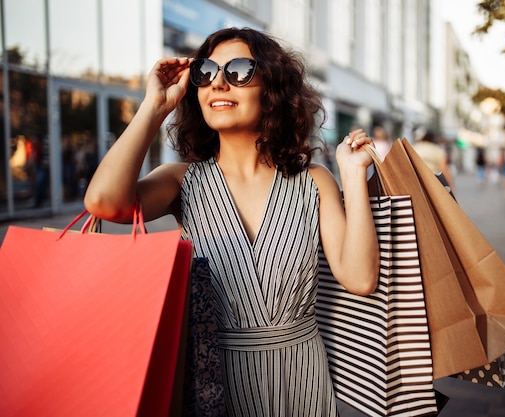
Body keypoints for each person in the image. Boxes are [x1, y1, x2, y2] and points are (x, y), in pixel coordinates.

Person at [84, 27, 379, 417]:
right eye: (206, 72)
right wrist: (154, 107)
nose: (219, 83)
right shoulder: (181, 180)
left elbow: (360, 278)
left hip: (303, 382)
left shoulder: (314, 180)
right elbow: (103, 202)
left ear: (271, 89)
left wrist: (354, 176)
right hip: (213, 385)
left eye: (239, 71)